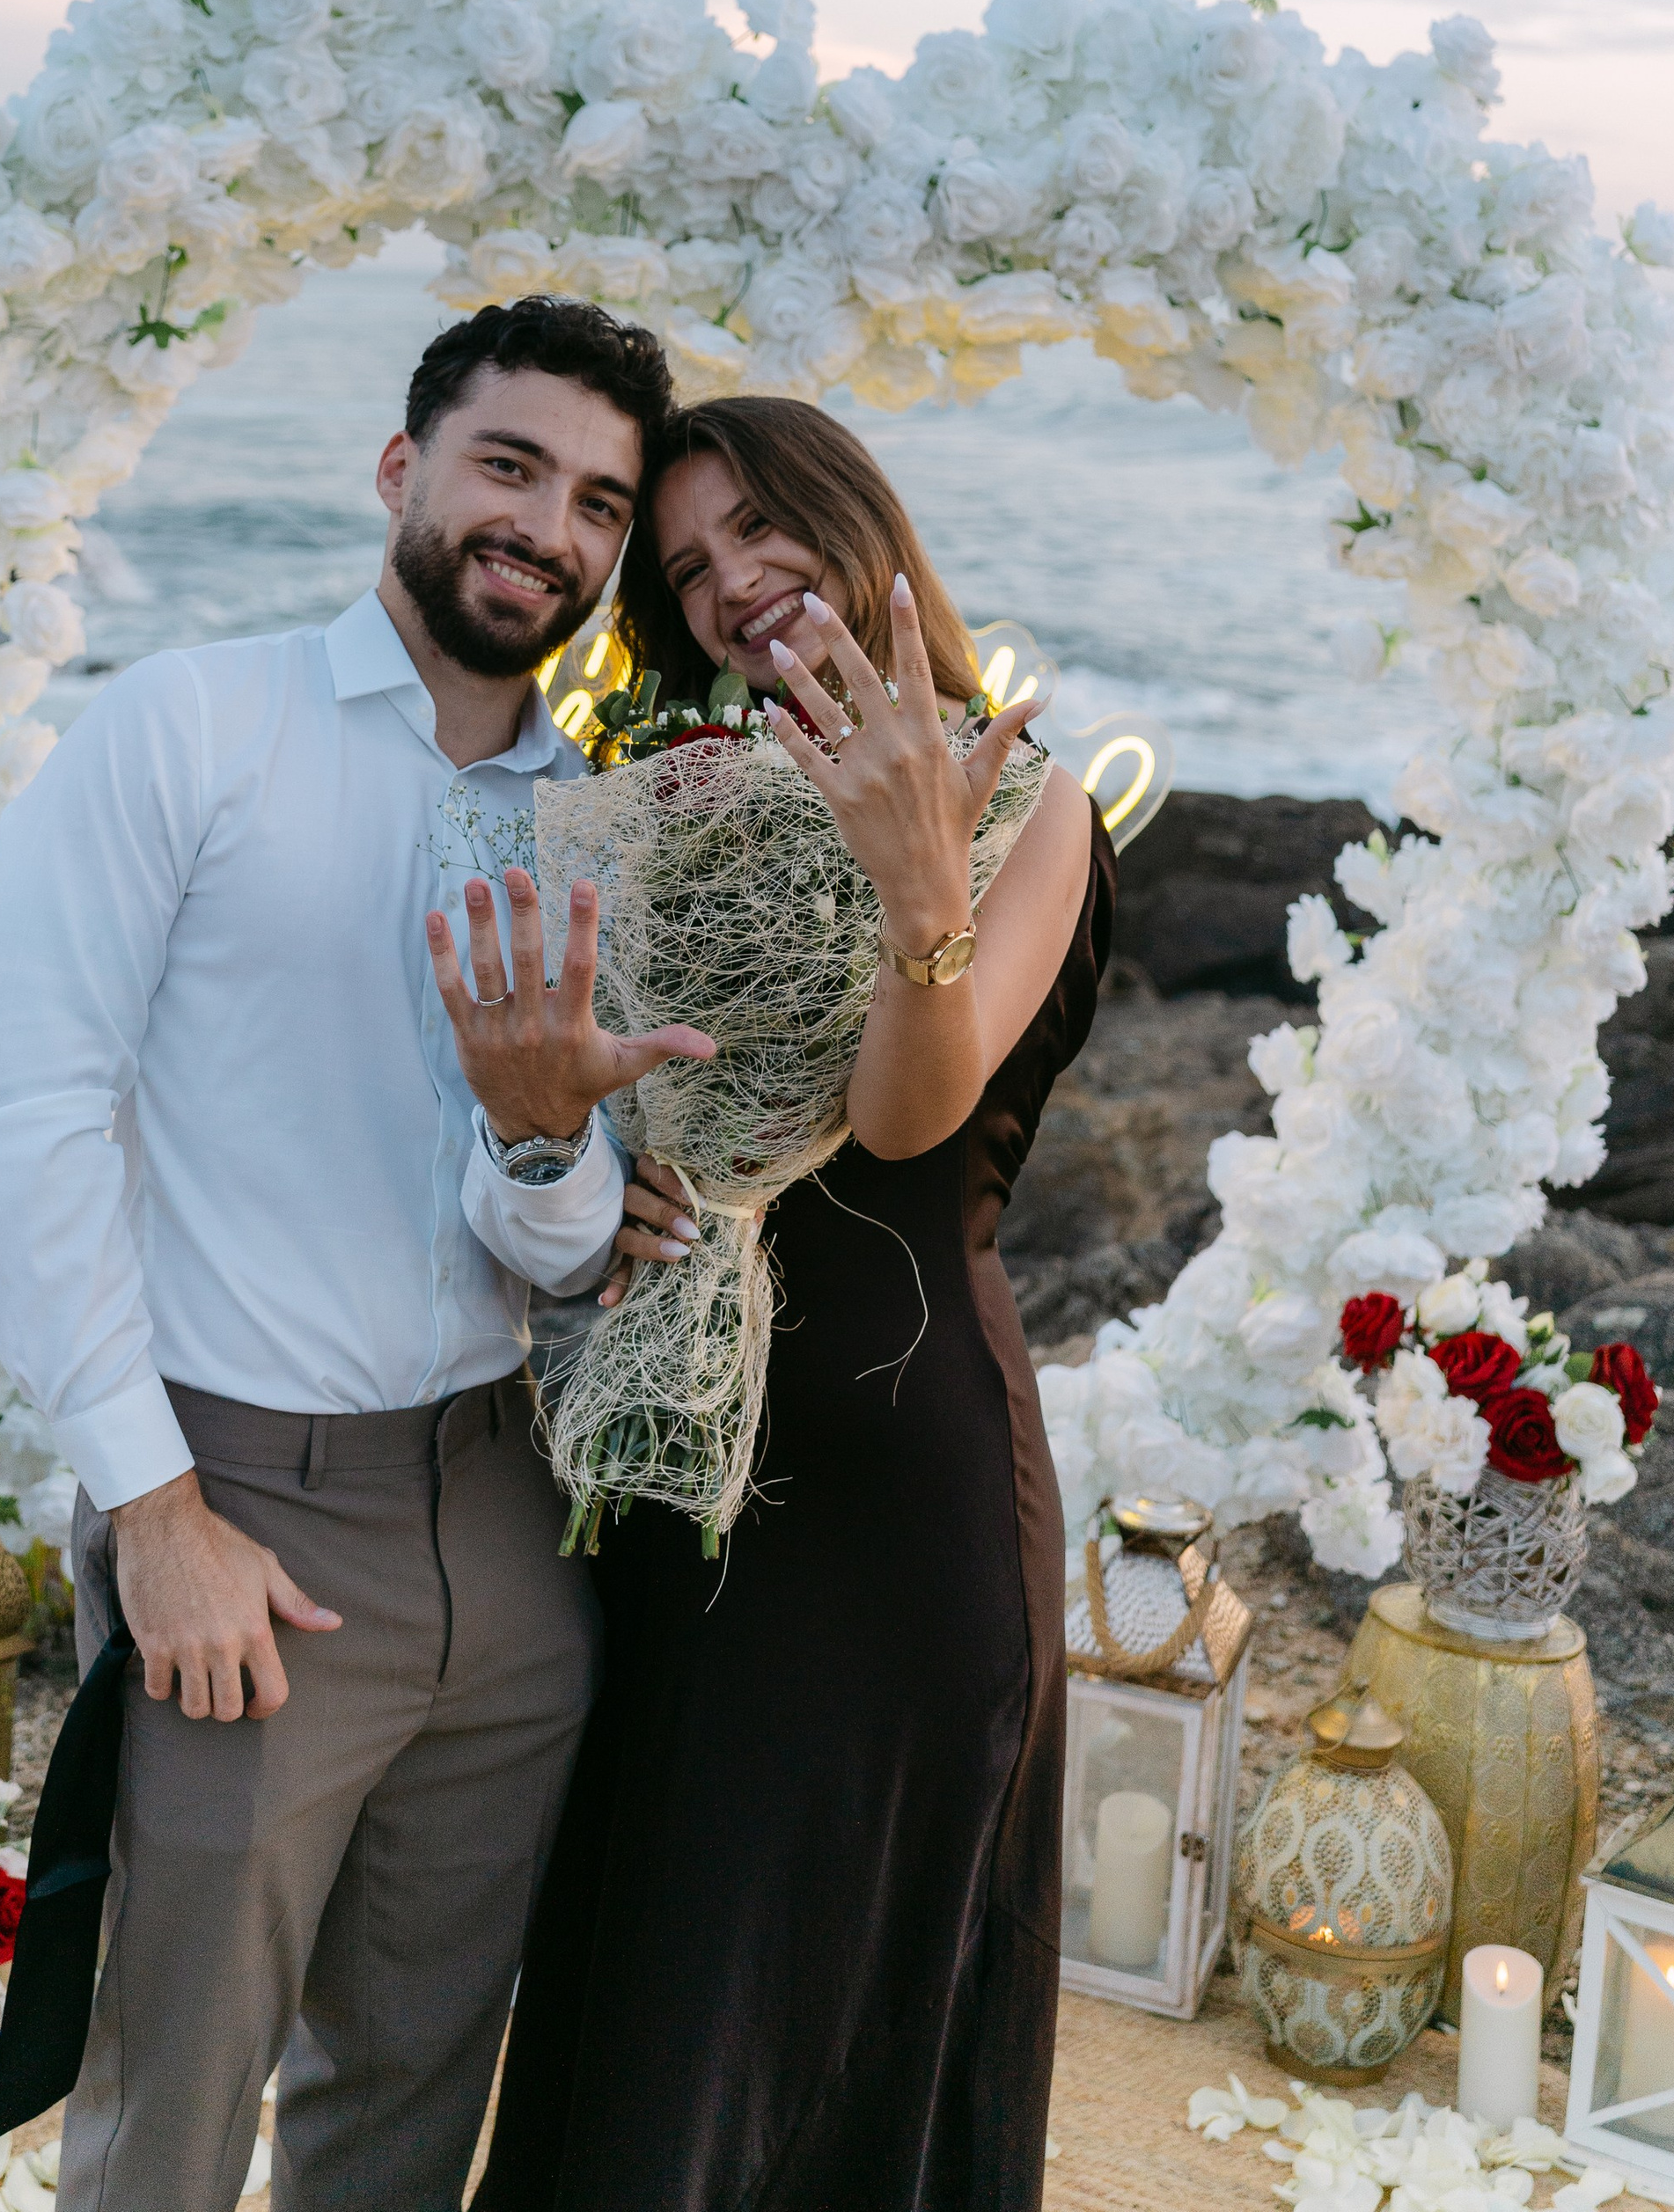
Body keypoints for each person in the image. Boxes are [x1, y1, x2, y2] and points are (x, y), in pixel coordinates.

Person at [0, 297, 717, 2212]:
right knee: (172, 2107)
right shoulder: (189, 726)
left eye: (598, 504)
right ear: (403, 471)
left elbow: (552, 1246)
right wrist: (153, 1512)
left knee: (409, 2098)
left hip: (505, 1521)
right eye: (507, 465)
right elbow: (26, 1121)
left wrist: (545, 1133)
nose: (545, 526)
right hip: (243, 1521)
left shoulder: (589, 834)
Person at [458, 397, 1112, 2212]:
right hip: (676, 1482)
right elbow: (632, 1071)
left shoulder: (1025, 794)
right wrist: (611, 1163)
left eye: (760, 526)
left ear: (851, 516)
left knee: (828, 2029)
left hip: (897, 1519)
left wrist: (915, 870)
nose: (735, 579)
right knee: (656, 1995)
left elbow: (910, 1114)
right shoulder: (686, 792)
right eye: (684, 568)